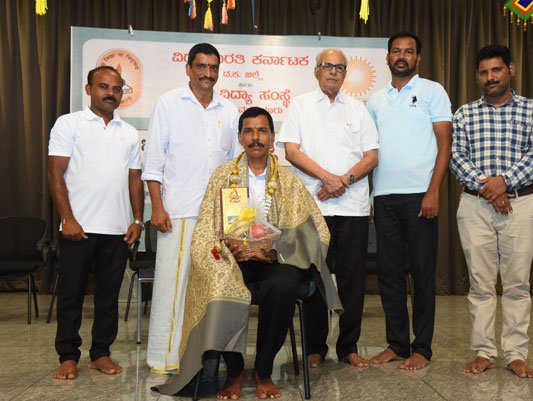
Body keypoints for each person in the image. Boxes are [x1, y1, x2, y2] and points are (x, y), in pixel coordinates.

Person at [155, 107, 342, 399]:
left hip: (275, 261)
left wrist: (275, 250)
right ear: (240, 138)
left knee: (284, 285)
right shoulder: (221, 176)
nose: (256, 137)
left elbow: (316, 231)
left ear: (272, 138)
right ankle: (235, 371)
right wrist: (227, 248)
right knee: (219, 281)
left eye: (262, 131)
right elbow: (206, 229)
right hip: (231, 260)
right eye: (249, 131)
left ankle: (263, 370)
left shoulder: (289, 181)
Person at [450, 44, 533, 379]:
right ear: (477, 76)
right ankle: (483, 351)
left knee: (517, 283)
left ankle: (516, 354)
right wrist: (490, 190)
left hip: (521, 204)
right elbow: (456, 156)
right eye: (483, 72)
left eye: (496, 70)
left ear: (511, 69)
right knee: (480, 284)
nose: (490, 77)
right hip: (474, 205)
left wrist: (504, 182)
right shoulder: (464, 114)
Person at [277, 48, 379, 368]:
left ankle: (348, 346)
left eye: (339, 67)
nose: (333, 71)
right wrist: (326, 178)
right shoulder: (300, 105)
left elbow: (372, 156)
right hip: (313, 205)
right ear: (316, 71)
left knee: (352, 280)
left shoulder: (359, 109)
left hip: (353, 207)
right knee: (314, 278)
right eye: (327, 66)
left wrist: (343, 181)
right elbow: (291, 151)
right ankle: (315, 348)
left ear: (345, 74)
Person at [142, 43, 239, 374]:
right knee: (172, 288)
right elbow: (153, 163)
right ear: (188, 68)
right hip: (178, 212)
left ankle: (202, 357)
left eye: (213, 68)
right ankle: (164, 358)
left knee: (211, 289)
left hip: (217, 218)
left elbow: (233, 168)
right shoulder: (169, 104)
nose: (207, 74)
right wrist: (157, 208)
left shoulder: (229, 110)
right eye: (201, 66)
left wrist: (233, 218)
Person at [48, 66, 144, 380]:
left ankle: (101, 353)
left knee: (108, 297)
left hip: (117, 230)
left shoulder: (129, 132)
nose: (110, 93)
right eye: (103, 87)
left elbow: (135, 179)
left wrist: (137, 220)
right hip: (78, 228)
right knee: (71, 295)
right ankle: (67, 355)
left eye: (116, 89)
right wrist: (67, 218)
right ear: (89, 89)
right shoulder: (69, 124)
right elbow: (55, 174)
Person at [367, 32, 453, 370]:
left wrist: (433, 191)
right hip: (384, 198)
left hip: (420, 196)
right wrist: (372, 196)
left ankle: (422, 349)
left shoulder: (433, 91)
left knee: (421, 273)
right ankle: (397, 344)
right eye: (396, 51)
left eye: (409, 51)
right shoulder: (375, 100)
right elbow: (371, 153)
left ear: (418, 57)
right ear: (387, 57)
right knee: (389, 275)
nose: (402, 56)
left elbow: (445, 145)